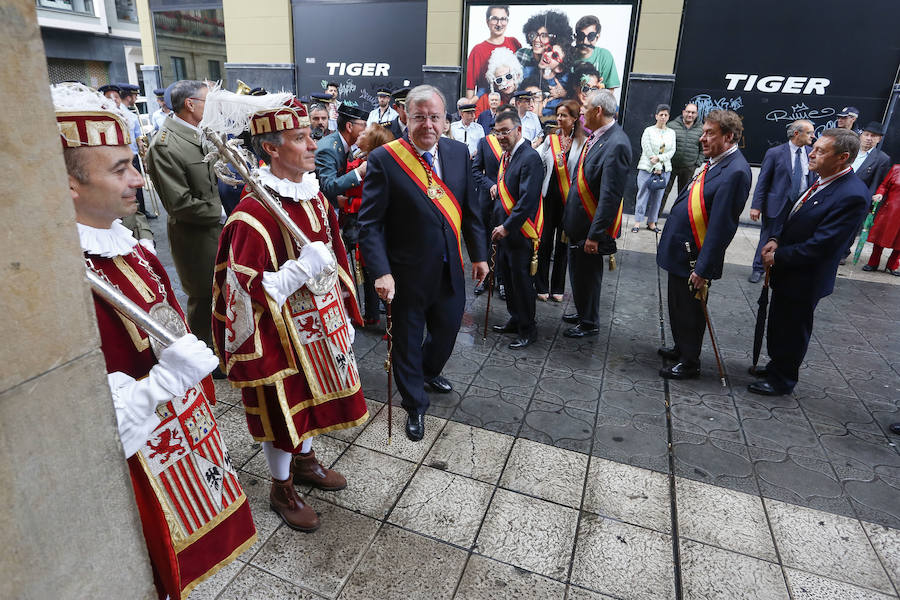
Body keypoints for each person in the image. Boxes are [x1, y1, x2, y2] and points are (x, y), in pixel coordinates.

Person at [52, 83, 255, 599]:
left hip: (176, 435)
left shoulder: (131, 246)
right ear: (67, 184)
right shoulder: (52, 282)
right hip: (129, 464)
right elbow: (67, 417)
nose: (138, 180)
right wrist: (159, 386)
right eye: (120, 169)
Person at [213, 98, 369, 530]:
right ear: (271, 149)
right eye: (300, 138)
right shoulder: (252, 212)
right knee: (285, 410)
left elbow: (335, 257)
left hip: (320, 324)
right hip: (276, 334)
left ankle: (305, 460)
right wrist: (298, 271)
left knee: (312, 403)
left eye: (311, 135)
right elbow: (242, 290)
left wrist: (344, 309)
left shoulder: (314, 195)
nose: (313, 144)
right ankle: (281, 486)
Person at [359, 85, 488, 441]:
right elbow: (370, 224)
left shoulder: (458, 153)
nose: (427, 125)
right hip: (406, 274)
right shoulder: (386, 159)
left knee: (446, 334)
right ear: (406, 118)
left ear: (445, 121)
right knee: (406, 340)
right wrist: (381, 271)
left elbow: (471, 210)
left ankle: (427, 372)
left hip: (450, 270)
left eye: (434, 117)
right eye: (419, 117)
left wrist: (479, 255)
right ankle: (414, 403)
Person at [749, 129, 869, 395]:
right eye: (814, 148)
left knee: (793, 328)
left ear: (842, 158)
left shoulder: (851, 194)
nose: (811, 154)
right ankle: (776, 365)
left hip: (805, 277)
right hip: (790, 270)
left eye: (821, 151)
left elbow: (822, 245)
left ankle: (782, 379)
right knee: (780, 323)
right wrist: (776, 239)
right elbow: (798, 216)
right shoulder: (823, 180)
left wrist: (777, 256)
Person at [657, 110, 751, 379]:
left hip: (694, 257)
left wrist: (703, 268)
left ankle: (690, 362)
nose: (703, 138)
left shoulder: (735, 171)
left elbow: (722, 226)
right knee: (678, 305)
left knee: (691, 311)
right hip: (681, 250)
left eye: (710, 133)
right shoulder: (717, 163)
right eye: (704, 132)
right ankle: (680, 347)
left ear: (729, 137)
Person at [146, 79, 224, 354]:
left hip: (217, 228)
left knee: (223, 291)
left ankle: (223, 347)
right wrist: (221, 212)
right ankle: (205, 353)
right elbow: (179, 203)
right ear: (190, 104)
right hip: (196, 236)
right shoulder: (165, 145)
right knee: (203, 296)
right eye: (208, 101)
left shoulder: (199, 132)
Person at [561, 90, 631, 338]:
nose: (582, 112)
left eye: (586, 108)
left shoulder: (617, 144)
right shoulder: (598, 137)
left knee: (588, 275)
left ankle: (589, 322)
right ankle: (583, 311)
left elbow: (610, 196)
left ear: (598, 111)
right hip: (579, 222)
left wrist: (596, 235)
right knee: (578, 273)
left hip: (589, 226)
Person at [489, 110, 544, 349]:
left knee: (521, 283)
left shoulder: (530, 157)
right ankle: (515, 317)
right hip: (505, 232)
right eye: (497, 132)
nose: (501, 136)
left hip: (521, 233)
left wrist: (507, 226)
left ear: (518, 130)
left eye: (505, 131)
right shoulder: (507, 156)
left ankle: (528, 329)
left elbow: (527, 201)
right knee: (509, 281)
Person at [748, 119, 815, 282]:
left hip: (800, 205)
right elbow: (763, 181)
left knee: (793, 237)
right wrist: (756, 206)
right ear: (796, 133)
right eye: (809, 133)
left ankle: (781, 268)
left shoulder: (811, 153)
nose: (813, 136)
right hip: (777, 204)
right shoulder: (775, 153)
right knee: (768, 237)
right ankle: (758, 268)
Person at [344, 123, 396, 323]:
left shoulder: (375, 165)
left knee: (376, 271)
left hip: (375, 228)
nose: (360, 134)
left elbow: (372, 201)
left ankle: (392, 320)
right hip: (362, 224)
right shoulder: (362, 159)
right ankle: (372, 313)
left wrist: (348, 202)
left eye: (365, 133)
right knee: (366, 272)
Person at [536, 99, 586, 302]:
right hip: (549, 199)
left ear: (574, 118)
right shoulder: (551, 140)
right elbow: (537, 160)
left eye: (564, 115)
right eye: (558, 115)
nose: (559, 118)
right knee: (545, 242)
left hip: (569, 202)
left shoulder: (583, 142)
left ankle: (557, 287)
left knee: (563, 245)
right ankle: (541, 285)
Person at [472, 118, 506, 297]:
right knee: (485, 237)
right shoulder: (485, 143)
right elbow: (476, 170)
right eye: (496, 130)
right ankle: (484, 278)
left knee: (503, 239)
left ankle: (501, 279)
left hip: (507, 200)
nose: (499, 134)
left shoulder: (517, 144)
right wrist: (490, 184)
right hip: (487, 198)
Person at [314, 103, 369, 209]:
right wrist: (359, 172)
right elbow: (328, 186)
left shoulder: (345, 144)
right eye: (364, 125)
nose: (366, 130)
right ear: (349, 126)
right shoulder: (328, 149)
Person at [633, 104, 676, 233]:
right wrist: (657, 165)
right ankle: (637, 222)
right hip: (647, 168)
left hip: (665, 170)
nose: (663, 117)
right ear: (656, 116)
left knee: (658, 197)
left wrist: (660, 160)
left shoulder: (671, 133)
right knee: (642, 195)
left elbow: (672, 150)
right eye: (661, 114)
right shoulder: (649, 131)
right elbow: (647, 148)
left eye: (666, 115)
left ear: (668, 117)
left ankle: (652, 222)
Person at [466, 5, 522, 98]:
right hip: (490, 102)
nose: (499, 24)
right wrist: (470, 104)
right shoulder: (478, 50)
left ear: (507, 21)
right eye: (494, 19)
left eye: (503, 19)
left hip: (514, 102)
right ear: (487, 21)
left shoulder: (514, 42)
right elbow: (470, 87)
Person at [862, 163, 900, 275]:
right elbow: (884, 185)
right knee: (879, 237)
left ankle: (892, 265)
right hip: (890, 211)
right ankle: (873, 263)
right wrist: (880, 193)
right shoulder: (896, 169)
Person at [516, 10, 573, 82]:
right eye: (534, 34)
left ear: (554, 39)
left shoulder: (561, 66)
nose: (536, 39)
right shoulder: (521, 55)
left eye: (544, 36)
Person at [663, 103, 704, 201]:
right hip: (670, 166)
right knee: (663, 193)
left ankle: (677, 212)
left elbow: (703, 149)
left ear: (696, 114)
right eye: (688, 112)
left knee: (683, 195)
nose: (690, 115)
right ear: (683, 112)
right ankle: (658, 212)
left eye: (693, 113)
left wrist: (697, 163)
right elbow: (663, 145)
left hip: (688, 167)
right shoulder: (671, 126)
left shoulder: (701, 129)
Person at [573, 15, 620, 91]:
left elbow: (610, 91)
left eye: (590, 37)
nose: (585, 41)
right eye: (581, 36)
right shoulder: (566, 54)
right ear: (576, 36)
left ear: (597, 37)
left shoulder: (604, 56)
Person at [474, 48, 523, 114]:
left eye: (508, 76)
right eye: (499, 80)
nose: (505, 83)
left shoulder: (524, 98)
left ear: (516, 75)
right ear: (494, 83)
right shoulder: (486, 100)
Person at [536, 42, 572, 118]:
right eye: (549, 49)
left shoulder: (565, 83)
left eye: (555, 56)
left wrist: (566, 94)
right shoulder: (526, 72)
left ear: (559, 68)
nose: (547, 54)